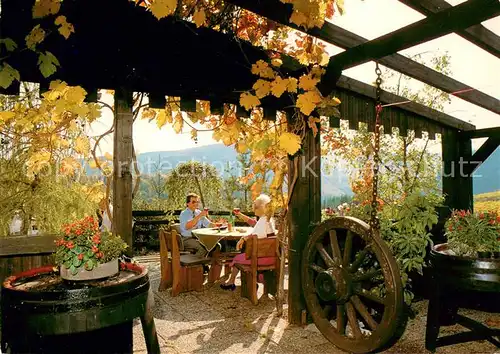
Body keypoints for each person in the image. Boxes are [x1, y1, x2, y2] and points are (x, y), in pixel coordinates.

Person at [220, 194, 277, 291]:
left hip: (260, 259)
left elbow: (255, 238)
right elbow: (259, 232)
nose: (253, 208)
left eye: (255, 206)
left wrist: (244, 239)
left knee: (238, 258)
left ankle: (233, 282)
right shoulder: (268, 219)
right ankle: (255, 281)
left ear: (260, 208)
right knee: (244, 255)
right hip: (272, 257)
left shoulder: (262, 221)